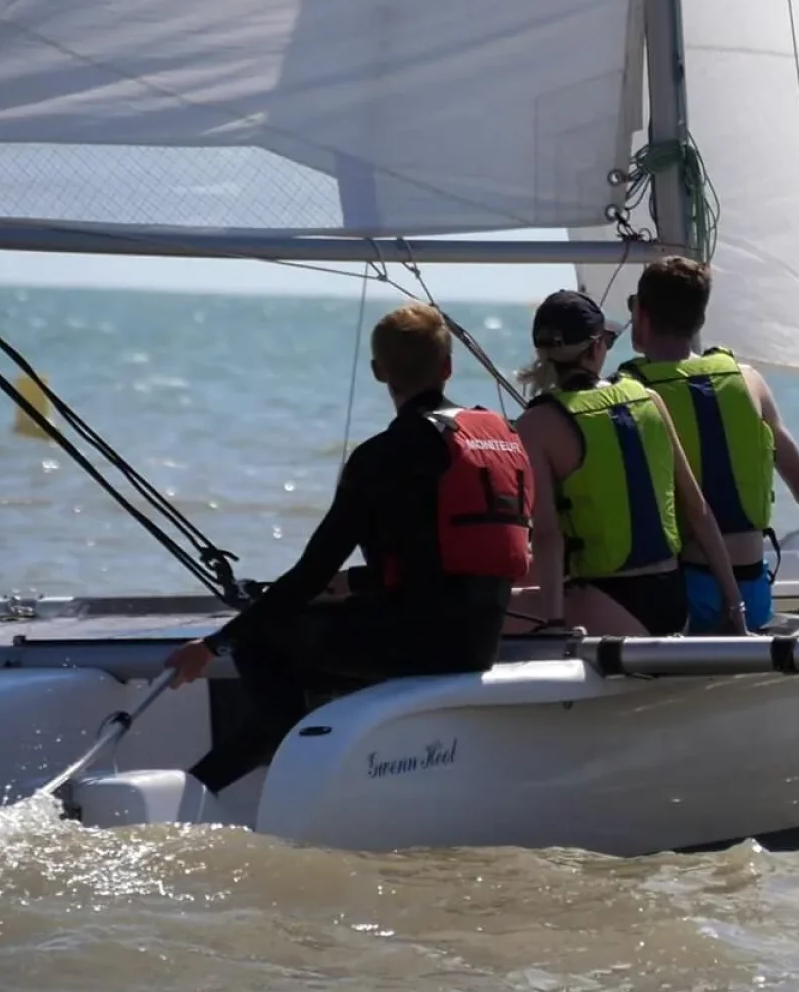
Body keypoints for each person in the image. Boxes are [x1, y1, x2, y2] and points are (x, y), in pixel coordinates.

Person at [163, 302, 533, 794]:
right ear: (448, 367)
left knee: (261, 637)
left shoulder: (380, 457)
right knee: (324, 617)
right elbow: (445, 557)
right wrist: (355, 583)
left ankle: (221, 779)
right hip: (481, 641)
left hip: (416, 647)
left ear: (380, 372)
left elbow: (310, 573)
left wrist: (212, 645)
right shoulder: (495, 438)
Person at [616, 256, 799, 632]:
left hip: (680, 597)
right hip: (752, 593)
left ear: (640, 313)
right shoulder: (749, 382)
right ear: (700, 321)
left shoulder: (627, 397)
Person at [511, 289, 746, 637]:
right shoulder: (647, 397)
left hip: (612, 606)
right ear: (596, 348)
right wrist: (734, 608)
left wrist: (555, 625)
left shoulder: (536, 424)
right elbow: (698, 510)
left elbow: (547, 536)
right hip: (672, 602)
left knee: (479, 612)